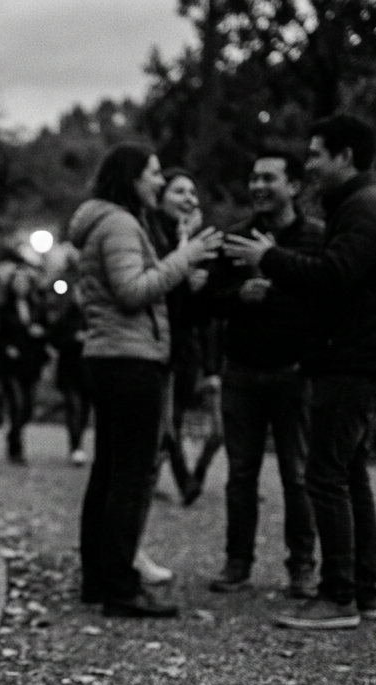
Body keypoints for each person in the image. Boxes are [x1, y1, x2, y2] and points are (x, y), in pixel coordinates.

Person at [227, 115, 376, 630]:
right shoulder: (356, 206)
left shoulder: (364, 209)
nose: (309, 165)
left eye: (315, 155)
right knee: (348, 473)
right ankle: (363, 591)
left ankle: (338, 595)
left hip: (350, 361)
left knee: (323, 475)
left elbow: (335, 278)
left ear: (345, 156)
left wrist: (270, 259)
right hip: (348, 357)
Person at [68, 144, 222, 618]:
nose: (158, 181)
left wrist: (176, 259)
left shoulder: (108, 221)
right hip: (130, 361)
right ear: (131, 177)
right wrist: (186, 257)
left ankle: (99, 580)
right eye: (153, 173)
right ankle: (120, 588)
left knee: (109, 473)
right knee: (130, 479)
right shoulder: (118, 223)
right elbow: (133, 292)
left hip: (113, 357)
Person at [201, 150, 324, 597]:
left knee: (297, 474)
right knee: (240, 474)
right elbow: (209, 300)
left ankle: (302, 567)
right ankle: (238, 562)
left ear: (293, 186)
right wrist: (239, 297)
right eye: (253, 178)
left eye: (268, 178)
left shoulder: (315, 238)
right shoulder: (236, 239)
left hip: (294, 374)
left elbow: (325, 295)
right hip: (242, 372)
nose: (257, 186)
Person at [150, 169, 224, 506]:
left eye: (192, 193)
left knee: (174, 418)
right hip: (155, 343)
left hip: (185, 346)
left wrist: (200, 288)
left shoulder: (197, 241)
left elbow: (202, 314)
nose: (190, 200)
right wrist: (183, 251)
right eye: (180, 192)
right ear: (160, 196)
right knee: (164, 422)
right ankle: (180, 479)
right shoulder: (150, 235)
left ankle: (181, 478)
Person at [0, 269, 50, 463]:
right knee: (17, 404)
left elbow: (48, 330)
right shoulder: (3, 307)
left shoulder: (37, 306)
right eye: (17, 282)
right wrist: (7, 347)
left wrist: (40, 333)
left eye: (24, 282)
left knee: (28, 407)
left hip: (31, 362)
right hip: (11, 364)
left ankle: (13, 433)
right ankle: (15, 447)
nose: (21, 286)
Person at [47, 279, 91, 465]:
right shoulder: (67, 316)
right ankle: (75, 446)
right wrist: (73, 339)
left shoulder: (96, 316)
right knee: (74, 407)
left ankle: (78, 442)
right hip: (70, 369)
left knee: (84, 412)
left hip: (89, 371)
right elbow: (54, 339)